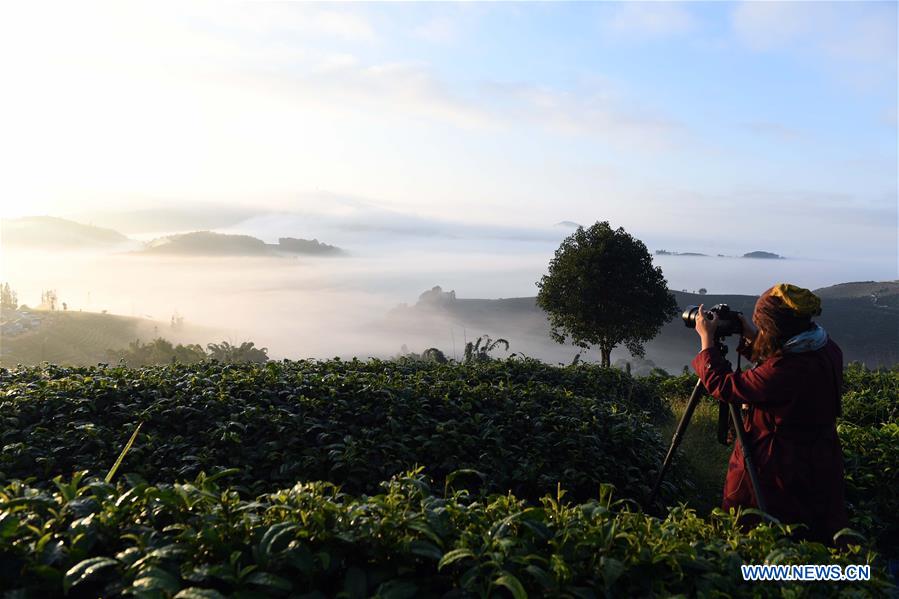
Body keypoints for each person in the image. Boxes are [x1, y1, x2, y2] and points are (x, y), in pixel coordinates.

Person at [691, 283, 848, 545]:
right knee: (813, 529)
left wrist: (707, 344)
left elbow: (725, 385)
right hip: (820, 459)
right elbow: (779, 360)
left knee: (762, 529)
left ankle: (755, 574)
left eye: (764, 326)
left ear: (776, 329)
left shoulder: (788, 369)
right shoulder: (825, 348)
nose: (762, 330)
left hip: (778, 470)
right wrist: (752, 335)